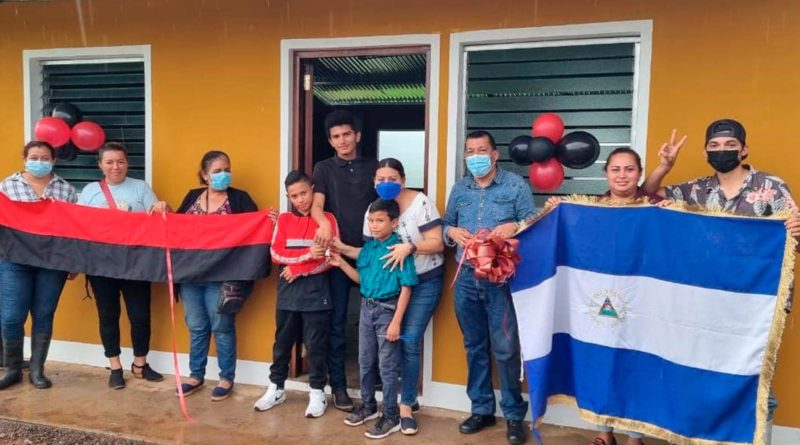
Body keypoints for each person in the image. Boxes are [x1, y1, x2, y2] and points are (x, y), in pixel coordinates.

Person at [643, 120, 800, 445]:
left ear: (744, 149)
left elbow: (792, 236)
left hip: (760, 303)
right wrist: (663, 166)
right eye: (714, 146)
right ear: (705, 151)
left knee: (756, 384)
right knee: (708, 378)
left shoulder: (772, 187)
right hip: (710, 303)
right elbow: (646, 195)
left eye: (730, 145)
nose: (722, 151)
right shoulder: (696, 190)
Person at [546, 147, 659, 445]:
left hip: (640, 302)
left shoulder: (656, 206)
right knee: (599, 362)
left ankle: (635, 437)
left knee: (634, 367)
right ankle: (603, 432)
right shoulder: (588, 207)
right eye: (616, 169)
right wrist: (555, 211)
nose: (622, 175)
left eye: (629, 169)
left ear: (639, 172)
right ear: (606, 173)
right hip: (599, 301)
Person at [333, 158, 444, 435]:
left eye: (391, 178)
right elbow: (371, 253)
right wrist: (342, 251)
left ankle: (404, 406)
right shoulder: (375, 210)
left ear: (403, 179)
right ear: (373, 182)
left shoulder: (420, 204)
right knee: (378, 353)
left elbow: (438, 242)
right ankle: (375, 404)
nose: (385, 183)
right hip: (388, 290)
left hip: (423, 281)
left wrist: (409, 247)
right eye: (380, 179)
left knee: (408, 341)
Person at [443, 130, 536, 445]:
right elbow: (445, 225)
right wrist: (451, 232)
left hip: (501, 280)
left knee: (506, 349)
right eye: (470, 151)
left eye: (481, 150)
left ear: (495, 154)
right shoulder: (461, 188)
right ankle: (481, 408)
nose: (475, 156)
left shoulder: (515, 186)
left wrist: (516, 225)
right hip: (466, 278)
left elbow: (534, 221)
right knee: (474, 345)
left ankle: (513, 415)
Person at [77, 141, 168, 389]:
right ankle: (115, 366)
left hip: (136, 265)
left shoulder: (140, 188)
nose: (115, 166)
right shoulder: (89, 192)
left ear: (127, 163)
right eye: (109, 162)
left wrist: (162, 207)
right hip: (100, 267)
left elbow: (158, 221)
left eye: (120, 161)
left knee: (140, 316)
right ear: (100, 165)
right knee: (108, 316)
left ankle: (140, 364)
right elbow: (76, 227)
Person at [329, 199, 417, 439]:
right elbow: (361, 279)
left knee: (387, 366)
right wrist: (339, 264)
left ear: (394, 222)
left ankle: (390, 415)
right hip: (366, 309)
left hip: (388, 310)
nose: (374, 226)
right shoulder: (368, 248)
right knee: (364, 360)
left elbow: (407, 287)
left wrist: (396, 322)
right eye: (371, 221)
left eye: (380, 221)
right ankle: (368, 406)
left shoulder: (399, 249)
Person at [175, 150, 258, 401]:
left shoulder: (240, 199)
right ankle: (195, 375)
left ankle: (225, 377)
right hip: (191, 275)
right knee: (196, 326)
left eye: (227, 169)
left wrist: (268, 219)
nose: (224, 175)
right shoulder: (192, 196)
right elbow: (176, 226)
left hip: (222, 277)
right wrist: (162, 210)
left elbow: (255, 230)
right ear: (204, 174)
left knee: (222, 326)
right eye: (217, 171)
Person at [310, 109, 378, 410]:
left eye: (347, 134)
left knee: (376, 320)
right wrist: (322, 222)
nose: (342, 141)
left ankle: (375, 377)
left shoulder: (373, 167)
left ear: (357, 136)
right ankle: (338, 386)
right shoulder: (323, 168)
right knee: (337, 323)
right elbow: (316, 205)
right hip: (336, 254)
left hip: (370, 254)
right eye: (336, 136)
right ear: (330, 140)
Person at [254, 170, 336, 417]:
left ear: (313, 190)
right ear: (288, 197)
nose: (300, 199)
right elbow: (276, 254)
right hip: (288, 292)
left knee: (316, 345)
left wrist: (299, 269)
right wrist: (306, 257)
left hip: (316, 292)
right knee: (282, 344)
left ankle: (317, 394)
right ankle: (276, 388)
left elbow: (329, 258)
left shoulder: (327, 220)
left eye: (304, 193)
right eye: (294, 196)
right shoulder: (285, 220)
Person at [0, 141, 77, 390]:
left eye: (45, 158)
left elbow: (74, 231)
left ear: (53, 161)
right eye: (34, 156)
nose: (40, 161)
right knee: (11, 317)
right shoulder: (7, 186)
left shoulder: (66, 190)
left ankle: (37, 370)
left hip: (53, 263)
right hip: (14, 261)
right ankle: (12, 368)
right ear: (24, 158)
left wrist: (74, 261)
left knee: (43, 316)